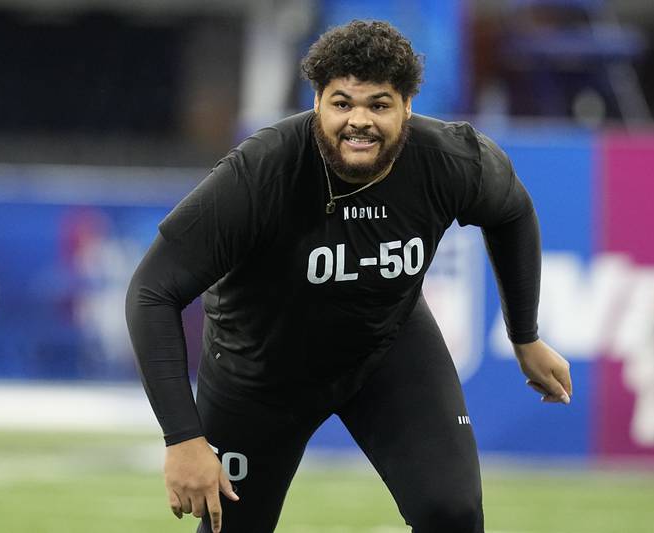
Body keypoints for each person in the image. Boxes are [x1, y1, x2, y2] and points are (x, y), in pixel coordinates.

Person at [126, 19, 572, 533]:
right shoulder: (262, 170)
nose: (359, 121)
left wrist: (526, 336)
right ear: (317, 101)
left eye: (379, 104)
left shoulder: (451, 159)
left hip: (385, 349)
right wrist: (183, 439)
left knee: (453, 513)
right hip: (258, 374)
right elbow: (151, 291)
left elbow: (512, 212)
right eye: (342, 103)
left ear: (408, 106)